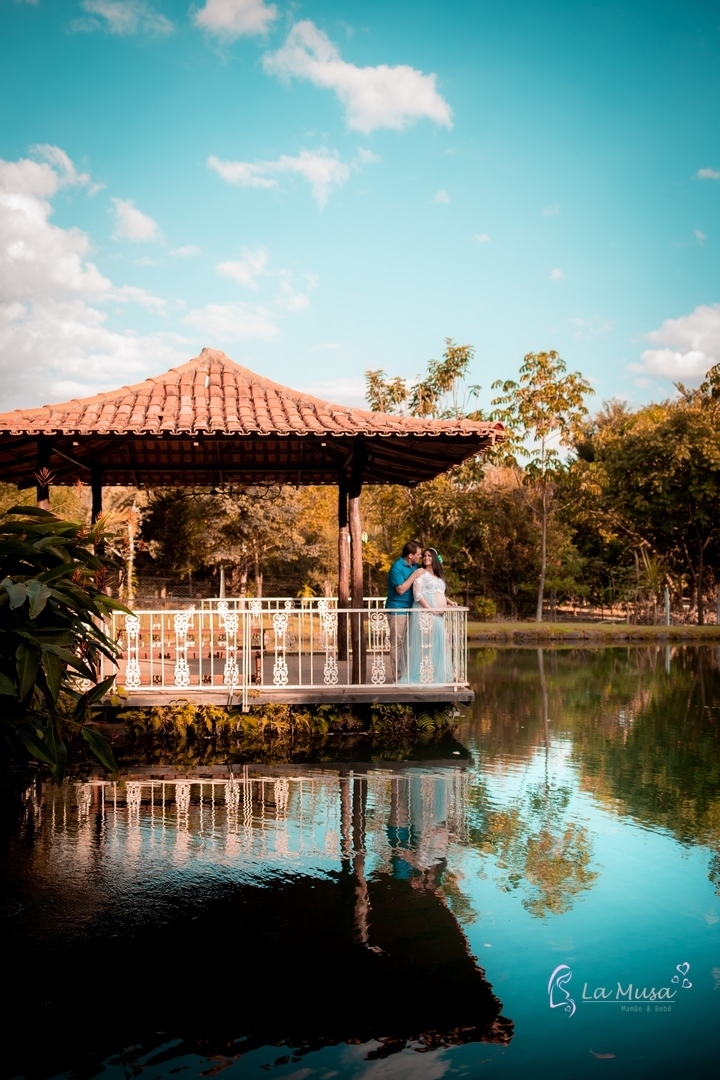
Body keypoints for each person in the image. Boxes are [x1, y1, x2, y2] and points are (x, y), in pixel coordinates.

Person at [402, 548, 453, 685]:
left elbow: (438, 592)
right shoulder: (420, 573)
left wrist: (448, 601)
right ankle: (425, 674)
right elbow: (418, 594)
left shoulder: (437, 576)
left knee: (442, 640)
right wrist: (430, 609)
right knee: (428, 642)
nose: (426, 558)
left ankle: (437, 673)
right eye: (424, 556)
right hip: (426, 612)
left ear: (434, 558)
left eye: (429, 555)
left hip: (438, 614)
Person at [385, 540, 424, 680]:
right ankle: (398, 678)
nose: (420, 556)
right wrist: (414, 575)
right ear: (410, 555)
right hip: (397, 610)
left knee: (411, 644)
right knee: (398, 644)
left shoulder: (415, 566)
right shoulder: (397, 567)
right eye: (418, 554)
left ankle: (410, 674)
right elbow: (400, 589)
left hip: (412, 610)